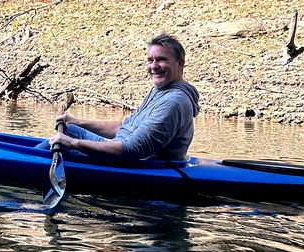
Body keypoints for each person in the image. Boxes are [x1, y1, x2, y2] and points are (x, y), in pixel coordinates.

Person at [46, 34, 199, 161]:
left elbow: (131, 150)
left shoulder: (173, 102)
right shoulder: (161, 90)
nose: (153, 66)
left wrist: (73, 143)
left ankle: (26, 168)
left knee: (67, 135)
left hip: (137, 165)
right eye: (150, 60)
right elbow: (124, 127)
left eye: (161, 59)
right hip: (121, 149)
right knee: (71, 128)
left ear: (180, 64)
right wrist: (77, 122)